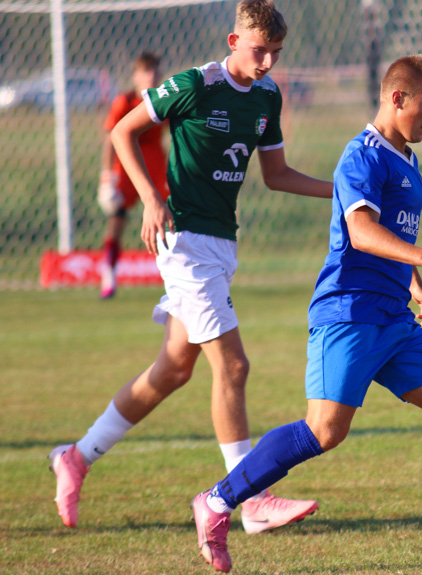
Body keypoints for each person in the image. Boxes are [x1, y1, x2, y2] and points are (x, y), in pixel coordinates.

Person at [188, 55, 422, 573]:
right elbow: (363, 234)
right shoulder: (361, 155)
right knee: (324, 431)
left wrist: (415, 286)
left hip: (392, 317)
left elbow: (395, 237)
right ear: (397, 98)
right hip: (348, 314)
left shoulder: (407, 159)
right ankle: (216, 502)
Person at [48, 0, 333, 534]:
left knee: (174, 368)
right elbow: (122, 133)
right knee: (233, 366)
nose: (267, 62)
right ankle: (248, 499)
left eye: (275, 52)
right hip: (182, 242)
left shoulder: (268, 96)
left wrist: (341, 191)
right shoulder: (195, 85)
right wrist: (151, 197)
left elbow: (276, 175)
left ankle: (77, 456)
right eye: (258, 51)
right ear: (232, 42)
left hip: (221, 245)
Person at [97, 51, 169, 299]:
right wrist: (107, 177)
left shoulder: (162, 100)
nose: (153, 76)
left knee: (167, 219)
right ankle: (109, 273)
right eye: (148, 71)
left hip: (156, 168)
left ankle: (172, 276)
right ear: (136, 76)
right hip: (127, 169)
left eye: (156, 71)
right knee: (117, 220)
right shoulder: (124, 102)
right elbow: (110, 139)